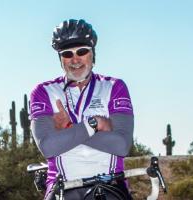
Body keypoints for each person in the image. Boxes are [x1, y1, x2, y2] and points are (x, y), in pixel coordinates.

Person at [30, 19, 134, 200]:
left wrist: (68, 129)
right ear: (60, 59)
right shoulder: (43, 91)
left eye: (82, 51)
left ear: (93, 54)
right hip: (62, 185)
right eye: (67, 54)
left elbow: (121, 145)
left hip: (109, 184)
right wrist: (94, 125)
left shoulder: (114, 87)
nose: (75, 59)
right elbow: (48, 147)